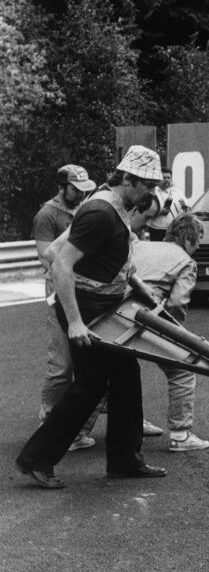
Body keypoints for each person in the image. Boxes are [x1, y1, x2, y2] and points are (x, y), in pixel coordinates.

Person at [16, 145, 167, 489]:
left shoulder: (118, 206)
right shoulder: (100, 213)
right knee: (89, 386)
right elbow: (61, 265)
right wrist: (75, 322)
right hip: (85, 309)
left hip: (102, 305)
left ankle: (125, 459)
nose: (151, 193)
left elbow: (112, 257)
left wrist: (138, 284)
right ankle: (36, 459)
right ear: (127, 177)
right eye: (147, 185)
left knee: (126, 375)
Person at [132, 213, 209, 451]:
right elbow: (176, 305)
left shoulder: (140, 246)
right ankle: (180, 434)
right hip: (147, 315)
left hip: (115, 311)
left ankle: (78, 435)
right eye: (197, 242)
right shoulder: (186, 262)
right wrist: (178, 336)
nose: (197, 248)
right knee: (183, 371)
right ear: (189, 239)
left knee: (111, 372)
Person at [33, 164, 98, 451]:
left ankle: (79, 425)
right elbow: (48, 260)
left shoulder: (86, 208)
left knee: (93, 361)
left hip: (86, 292)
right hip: (59, 295)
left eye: (85, 189)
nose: (82, 194)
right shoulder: (47, 215)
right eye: (76, 189)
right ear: (62, 187)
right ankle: (48, 421)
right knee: (62, 365)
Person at [145, 167, 189, 242]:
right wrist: (160, 212)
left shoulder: (177, 191)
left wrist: (185, 207)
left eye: (168, 178)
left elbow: (186, 210)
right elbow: (146, 211)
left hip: (174, 229)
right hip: (157, 230)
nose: (166, 180)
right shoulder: (153, 192)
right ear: (159, 179)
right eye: (164, 178)